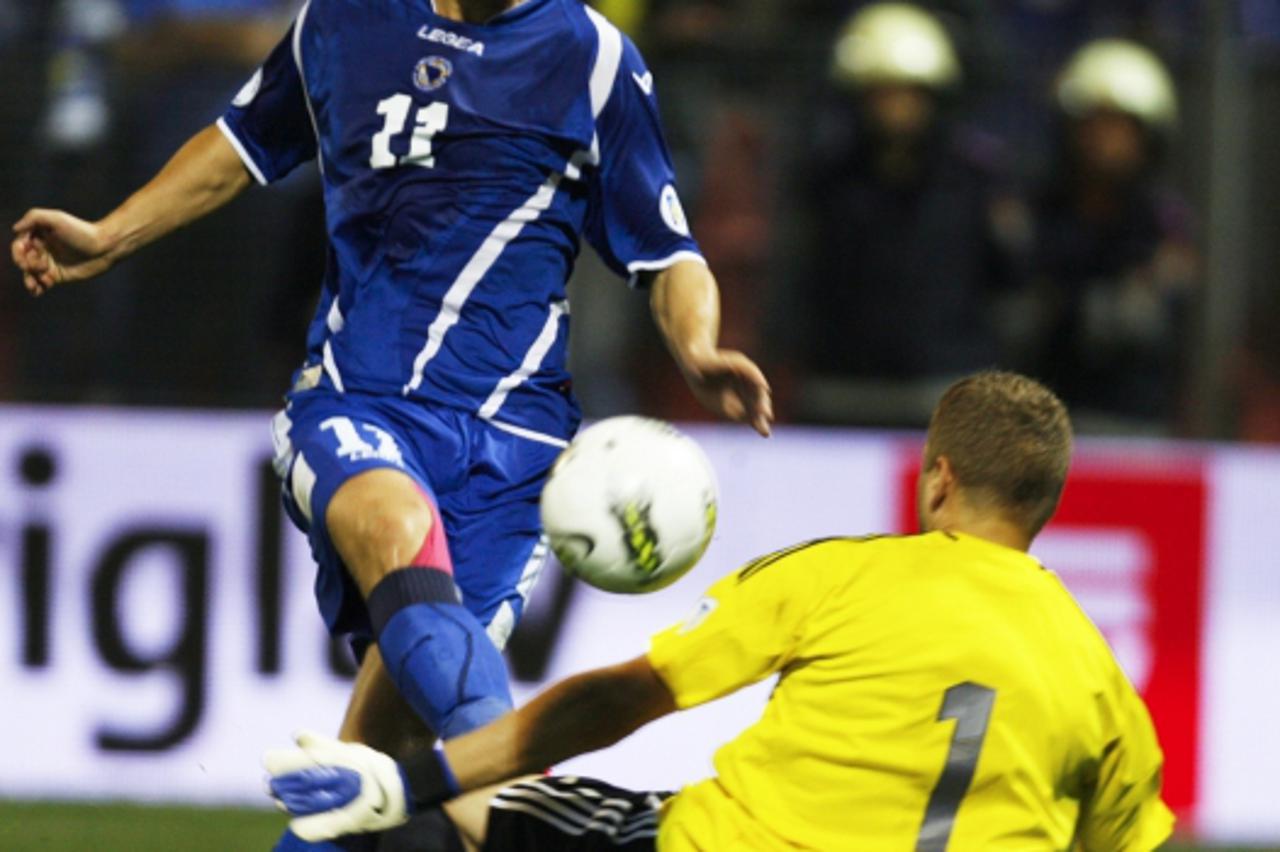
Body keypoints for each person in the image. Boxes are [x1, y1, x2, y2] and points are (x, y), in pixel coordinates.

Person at [10, 0, 773, 849]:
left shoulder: (593, 56)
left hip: (516, 457)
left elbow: (666, 249)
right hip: (356, 400)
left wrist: (699, 350)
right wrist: (110, 236)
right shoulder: (344, 20)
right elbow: (241, 144)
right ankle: (541, 825)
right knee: (397, 528)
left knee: (375, 766)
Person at [264, 371, 1174, 851]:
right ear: (1046, 504)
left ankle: (387, 794)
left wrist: (409, 783)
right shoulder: (1103, 684)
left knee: (435, 825)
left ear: (939, 478)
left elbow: (619, 702)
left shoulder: (844, 578)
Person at [785, 3, 1027, 427]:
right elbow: (801, 278)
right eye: (882, 93)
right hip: (842, 390)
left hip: (944, 389)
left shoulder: (976, 180)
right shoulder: (827, 178)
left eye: (908, 93)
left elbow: (1009, 280)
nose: (895, 109)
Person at [1029, 38, 1196, 432]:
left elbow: (1155, 319)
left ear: (1147, 137)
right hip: (1041, 422)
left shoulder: (1163, 224)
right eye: (1093, 124)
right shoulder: (1036, 214)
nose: (1104, 141)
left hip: (1132, 424)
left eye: (1119, 126)